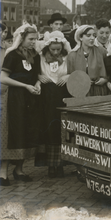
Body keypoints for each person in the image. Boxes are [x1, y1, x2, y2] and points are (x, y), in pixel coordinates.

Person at [0, 24, 42, 186]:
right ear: (22, 38)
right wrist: (24, 86)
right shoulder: (13, 55)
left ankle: (19, 169)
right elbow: (3, 78)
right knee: (11, 132)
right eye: (31, 39)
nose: (33, 42)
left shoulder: (35, 55)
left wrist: (37, 84)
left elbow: (37, 75)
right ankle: (3, 173)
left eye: (35, 39)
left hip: (30, 99)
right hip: (14, 98)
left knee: (26, 130)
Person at [36, 31, 71, 178]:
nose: (56, 52)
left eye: (58, 49)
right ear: (47, 47)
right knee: (49, 128)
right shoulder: (41, 58)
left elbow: (76, 71)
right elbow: (33, 71)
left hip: (62, 93)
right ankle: (50, 165)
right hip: (47, 95)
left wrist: (69, 76)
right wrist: (38, 76)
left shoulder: (67, 57)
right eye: (53, 49)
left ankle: (61, 164)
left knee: (62, 127)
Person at [67, 25, 108, 96]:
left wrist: (105, 79)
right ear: (80, 37)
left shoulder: (101, 51)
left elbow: (109, 69)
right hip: (81, 91)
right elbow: (71, 76)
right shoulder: (73, 55)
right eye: (88, 35)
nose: (92, 38)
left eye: (94, 35)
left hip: (99, 90)